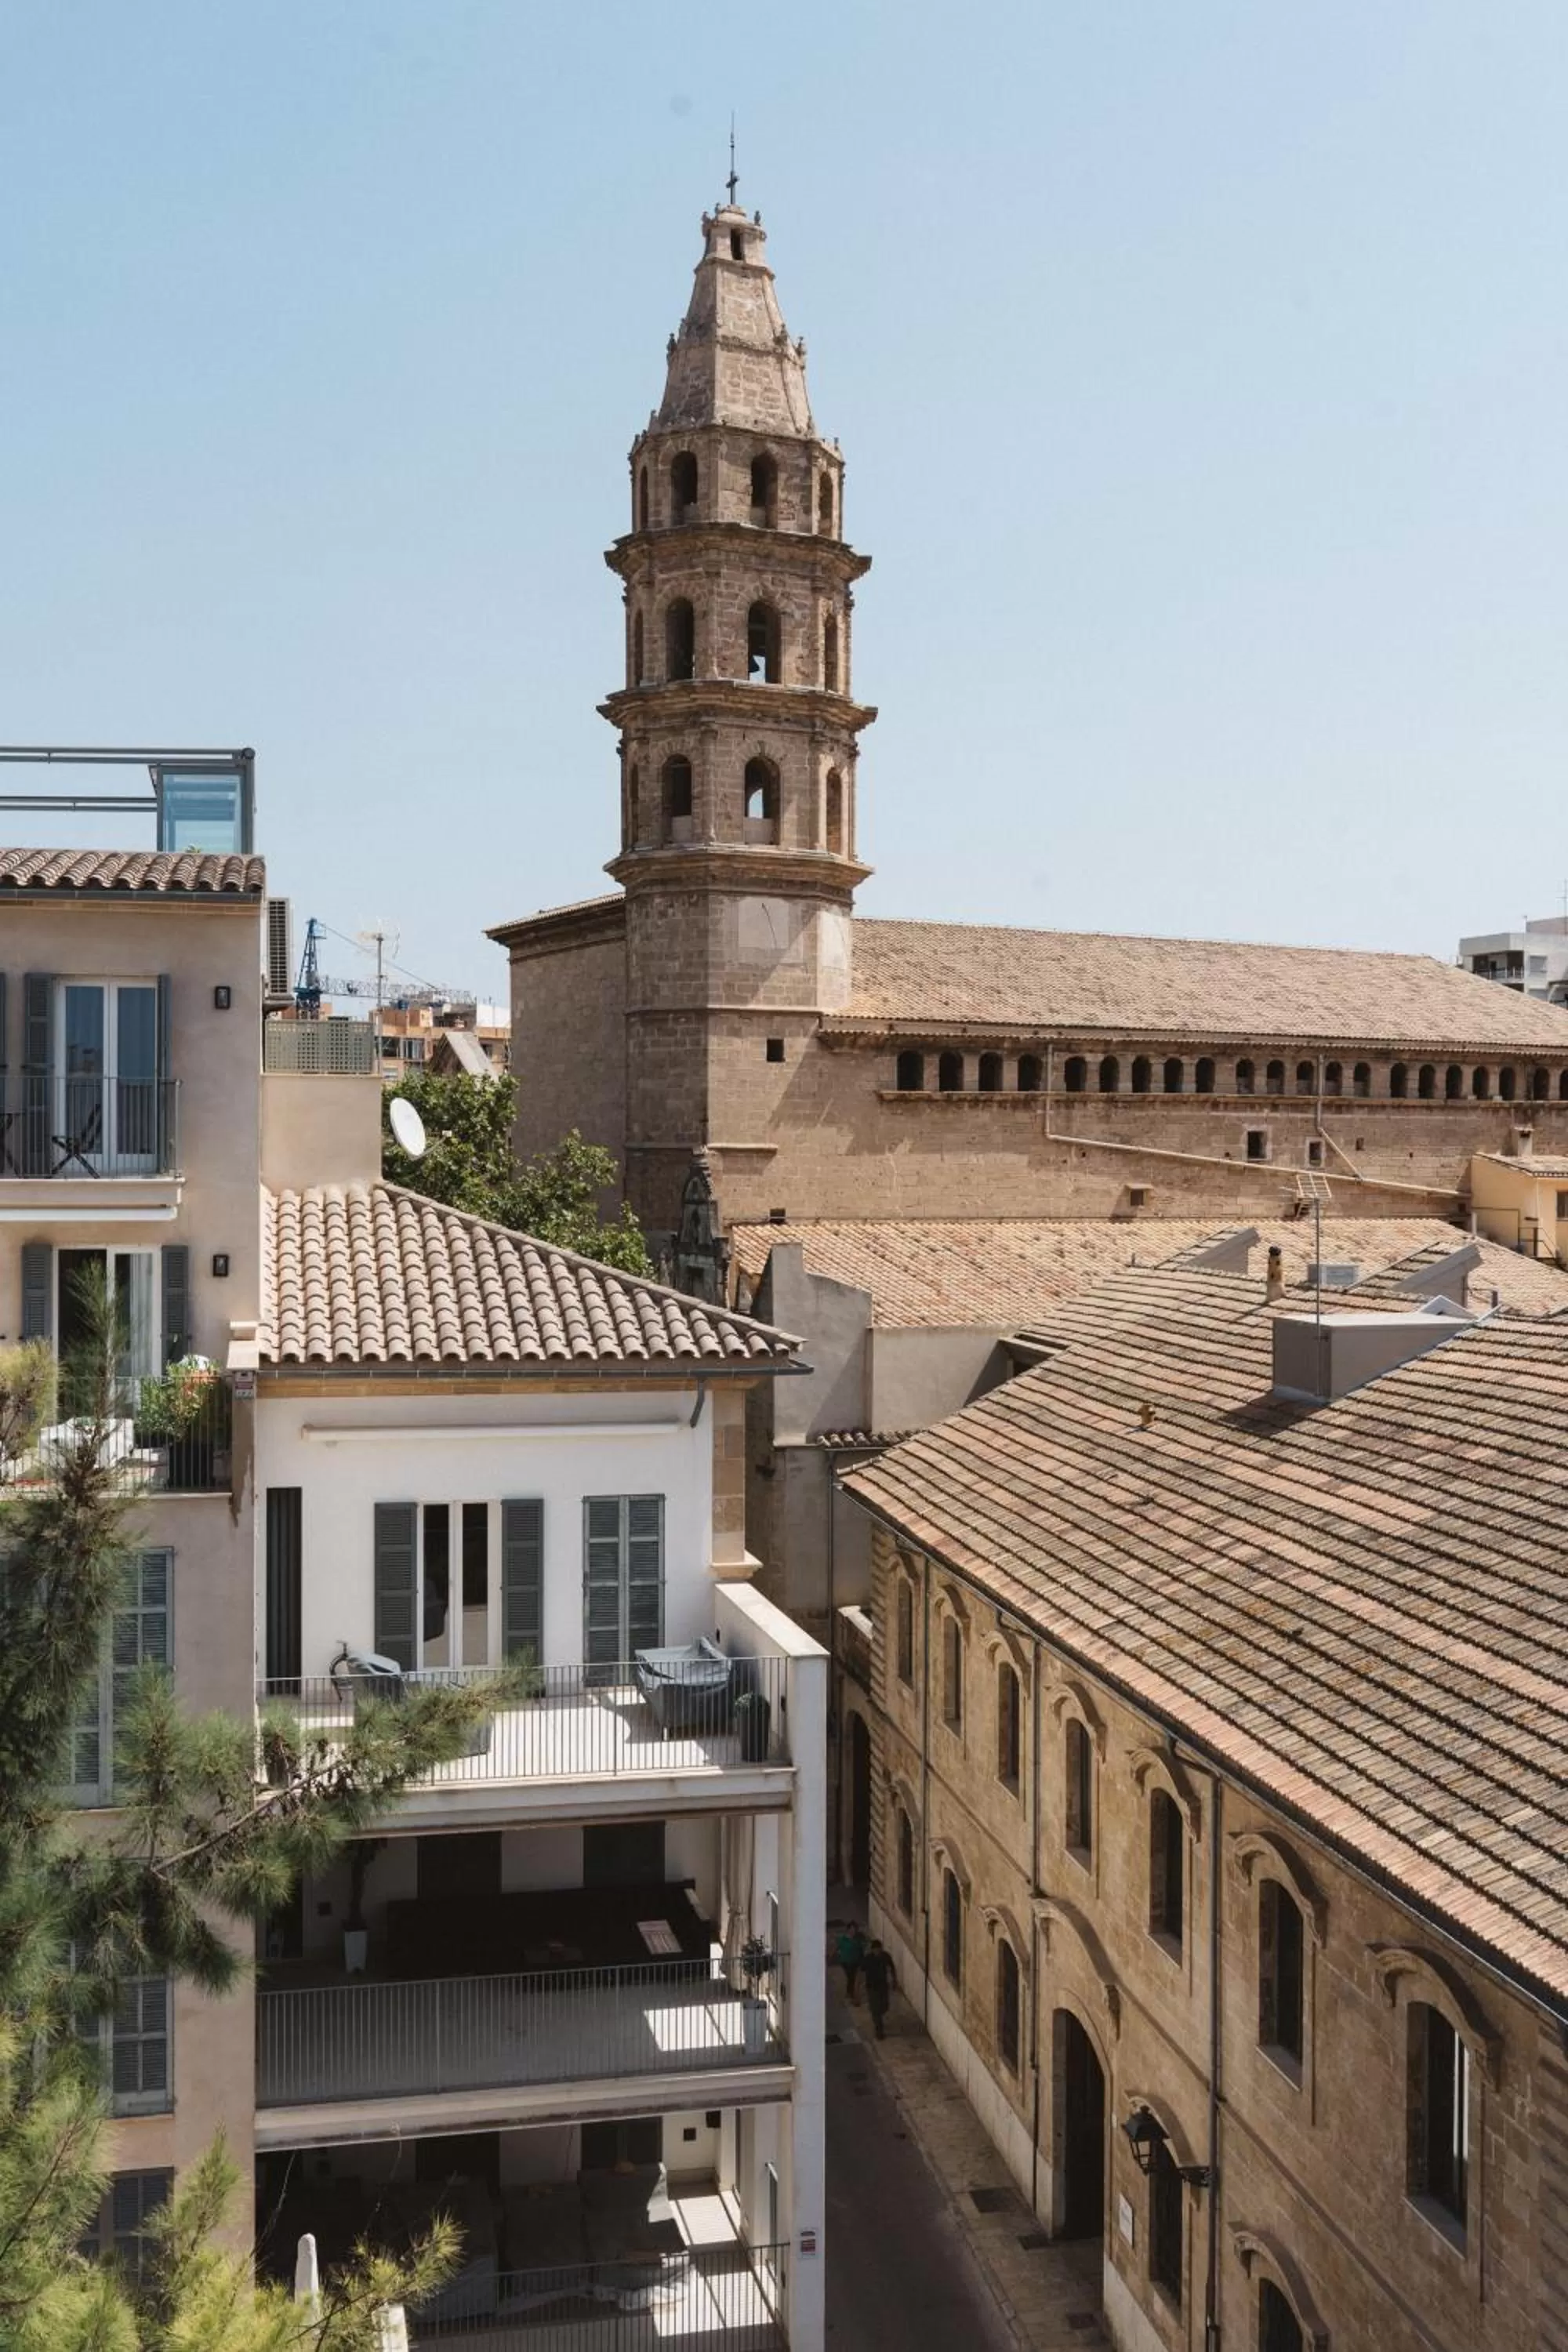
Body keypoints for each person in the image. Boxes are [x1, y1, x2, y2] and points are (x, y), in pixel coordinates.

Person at [862, 1938, 895, 2039]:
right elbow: (860, 1972)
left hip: (883, 1986)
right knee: (876, 2010)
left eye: (879, 1949)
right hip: (872, 1987)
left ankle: (877, 2016)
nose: (878, 1951)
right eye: (876, 1950)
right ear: (872, 1950)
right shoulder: (868, 1959)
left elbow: (892, 1967)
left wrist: (894, 1980)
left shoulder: (886, 1956)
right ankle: (879, 2031)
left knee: (885, 2006)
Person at [835, 1922, 867, 2002]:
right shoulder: (843, 1939)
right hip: (845, 1962)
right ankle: (850, 1992)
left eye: (855, 1929)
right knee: (850, 1977)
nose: (854, 1931)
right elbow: (837, 1948)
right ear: (848, 1930)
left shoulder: (858, 1939)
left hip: (856, 1961)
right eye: (852, 1929)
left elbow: (862, 1948)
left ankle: (850, 1992)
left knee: (852, 1977)